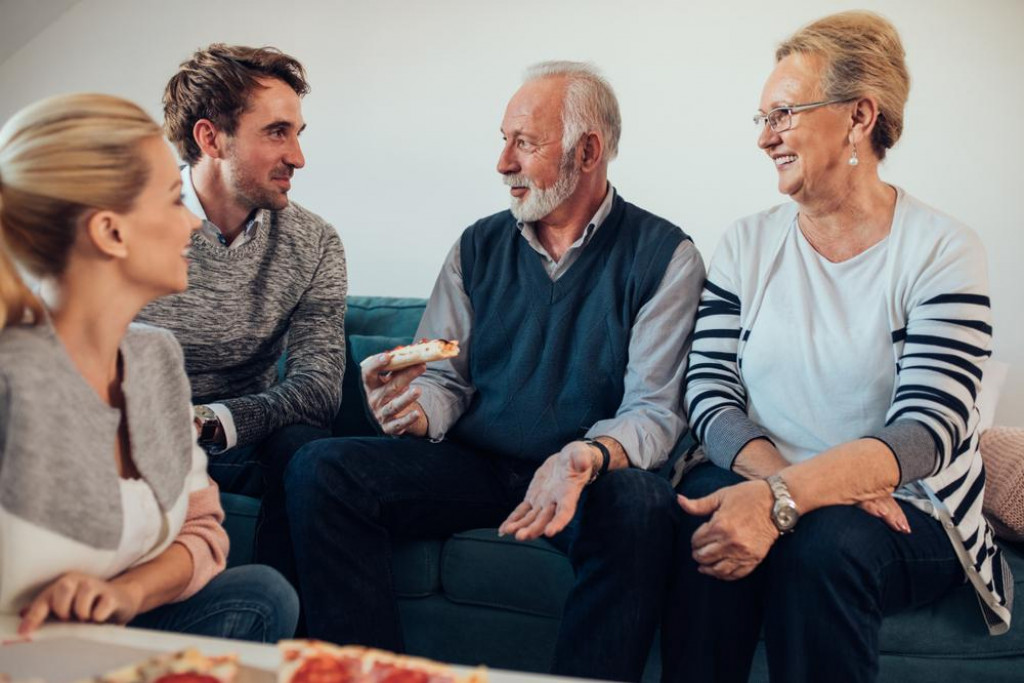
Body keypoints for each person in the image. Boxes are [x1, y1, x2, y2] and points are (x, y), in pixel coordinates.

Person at [285, 61, 705, 680]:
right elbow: (444, 375)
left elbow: (653, 410)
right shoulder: (476, 246)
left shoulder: (665, 256)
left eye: (524, 143)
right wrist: (414, 407)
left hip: (582, 475)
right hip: (477, 465)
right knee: (320, 467)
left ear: (588, 151)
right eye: (503, 139)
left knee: (642, 505)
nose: (503, 162)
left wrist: (585, 457)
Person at [672, 11, 1011, 682]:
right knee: (704, 522)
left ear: (859, 116)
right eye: (761, 118)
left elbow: (927, 430)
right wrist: (783, 489)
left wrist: (797, 498)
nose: (766, 137)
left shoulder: (943, 249)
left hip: (909, 504)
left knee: (820, 547)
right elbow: (708, 388)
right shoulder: (746, 243)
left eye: (785, 113)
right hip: (766, 471)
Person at [0, 93, 298, 640]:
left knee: (262, 593)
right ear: (110, 232)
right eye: (170, 199)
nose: (190, 223)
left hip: (105, 629)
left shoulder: (153, 357)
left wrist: (123, 593)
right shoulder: (12, 379)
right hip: (20, 650)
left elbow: (201, 528)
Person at [135, 44, 347, 586]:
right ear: (210, 138)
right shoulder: (126, 226)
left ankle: (288, 646)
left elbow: (319, 387)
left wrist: (213, 422)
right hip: (132, 437)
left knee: (309, 447)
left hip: (239, 443)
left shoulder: (314, 242)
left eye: (299, 133)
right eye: (277, 133)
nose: (298, 157)